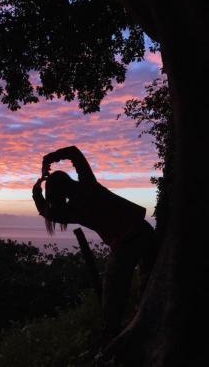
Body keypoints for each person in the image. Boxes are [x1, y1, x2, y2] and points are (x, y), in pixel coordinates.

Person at [31, 146, 158, 343]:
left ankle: (112, 335)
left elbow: (48, 212)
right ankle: (134, 326)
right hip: (143, 232)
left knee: (114, 288)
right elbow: (74, 152)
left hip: (126, 242)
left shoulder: (72, 208)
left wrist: (36, 192)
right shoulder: (86, 187)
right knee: (147, 281)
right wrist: (50, 158)